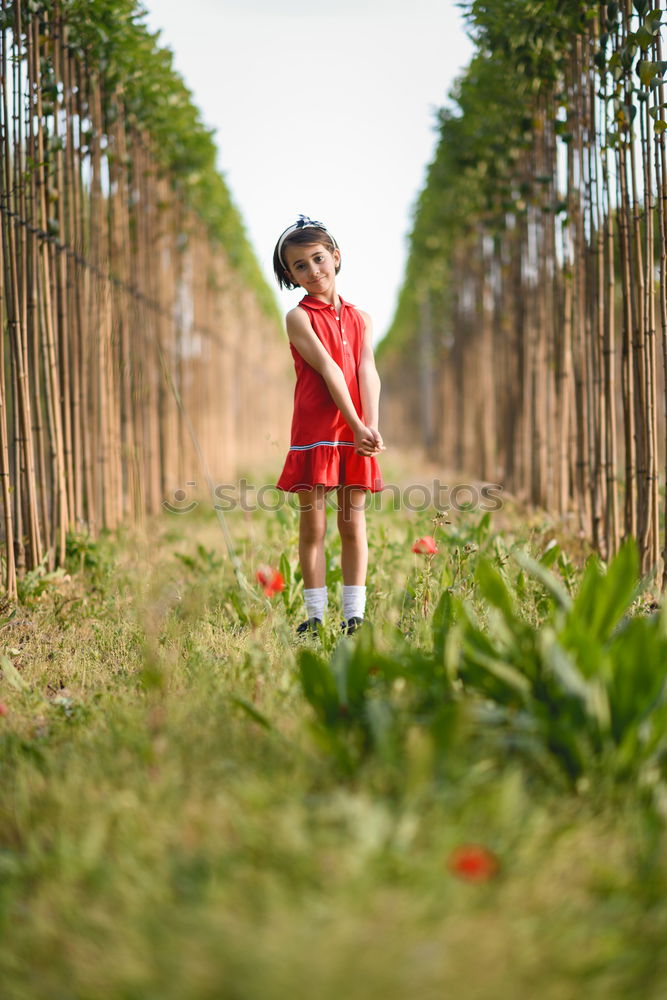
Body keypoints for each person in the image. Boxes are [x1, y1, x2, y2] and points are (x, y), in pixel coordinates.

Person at [272, 214, 385, 635]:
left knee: (353, 524)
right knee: (314, 526)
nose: (313, 270)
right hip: (318, 431)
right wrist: (356, 423)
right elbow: (329, 371)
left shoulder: (363, 318)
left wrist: (368, 427)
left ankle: (354, 615)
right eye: (300, 266)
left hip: (355, 432)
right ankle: (315, 618)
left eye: (318, 259)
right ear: (290, 275)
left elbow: (366, 369)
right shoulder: (298, 318)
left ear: (335, 258)